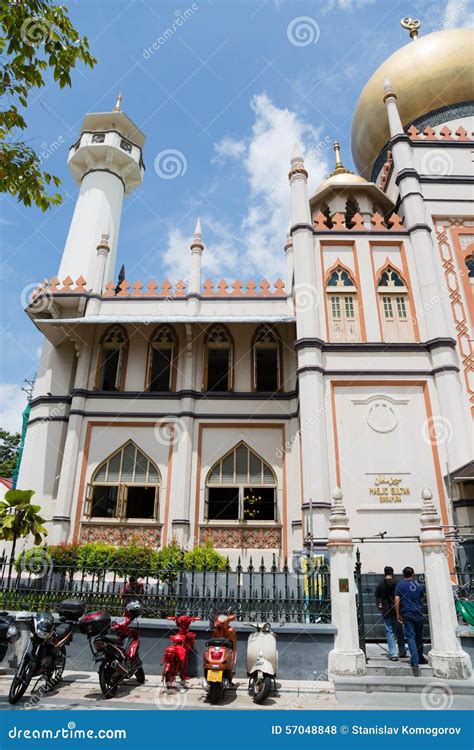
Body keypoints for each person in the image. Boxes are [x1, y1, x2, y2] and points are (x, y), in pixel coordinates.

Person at [395, 566, 428, 670]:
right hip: (418, 612)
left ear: (403, 575)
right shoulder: (418, 585)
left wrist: (397, 614)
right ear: (413, 574)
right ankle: (420, 657)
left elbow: (397, 600)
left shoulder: (400, 585)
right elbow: (422, 598)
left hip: (407, 613)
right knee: (419, 636)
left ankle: (414, 661)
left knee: (410, 636)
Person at [375, 565, 407, 660]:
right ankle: (402, 651)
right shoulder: (397, 583)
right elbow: (401, 596)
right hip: (396, 609)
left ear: (384, 573)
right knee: (399, 630)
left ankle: (393, 654)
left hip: (385, 609)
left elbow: (377, 597)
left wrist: (378, 606)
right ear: (392, 573)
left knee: (389, 631)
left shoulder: (381, 584)